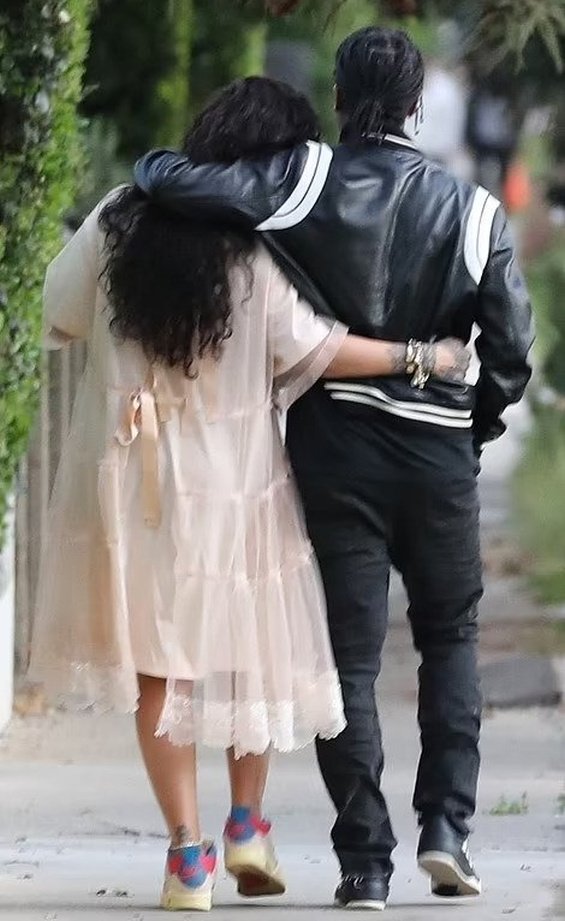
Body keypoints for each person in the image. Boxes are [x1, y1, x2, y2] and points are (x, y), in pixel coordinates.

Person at [28, 76, 467, 913]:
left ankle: (185, 859)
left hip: (136, 484)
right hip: (236, 485)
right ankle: (244, 826)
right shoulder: (256, 246)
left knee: (160, 665)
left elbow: (61, 309)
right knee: (240, 655)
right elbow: (320, 348)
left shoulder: (120, 214)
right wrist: (423, 356)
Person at [134, 28, 534, 911]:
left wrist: (176, 159)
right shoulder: (472, 212)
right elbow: (509, 350)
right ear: (419, 106)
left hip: (335, 455)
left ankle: (363, 866)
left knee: (345, 661)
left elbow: (162, 177)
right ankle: (447, 832)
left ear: (344, 103)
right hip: (435, 457)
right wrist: (473, 430)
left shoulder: (298, 180)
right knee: (448, 639)